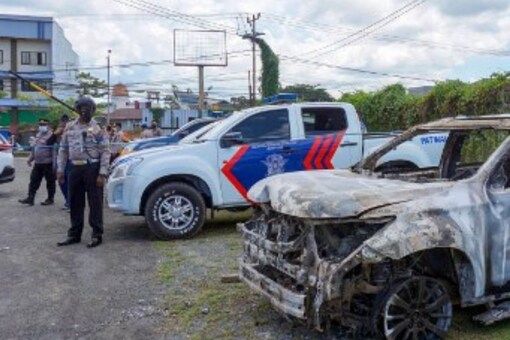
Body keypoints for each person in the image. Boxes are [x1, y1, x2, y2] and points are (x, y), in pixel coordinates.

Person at [56, 97, 110, 248]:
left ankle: (97, 235)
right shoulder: (70, 127)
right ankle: (74, 235)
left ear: (93, 110)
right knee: (75, 203)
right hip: (74, 169)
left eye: (89, 108)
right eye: (83, 108)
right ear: (78, 109)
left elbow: (105, 151)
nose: (86, 111)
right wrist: (60, 169)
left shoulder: (99, 128)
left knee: (95, 203)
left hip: (92, 169)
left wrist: (102, 173)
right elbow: (63, 149)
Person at [19, 118, 56, 206]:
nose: (42, 126)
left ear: (48, 126)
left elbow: (54, 152)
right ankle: (30, 198)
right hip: (38, 163)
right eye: (40, 125)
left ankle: (50, 199)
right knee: (33, 181)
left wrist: (55, 166)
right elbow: (35, 149)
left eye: (44, 125)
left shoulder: (51, 136)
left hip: (48, 163)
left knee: (50, 182)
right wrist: (30, 159)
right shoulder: (38, 135)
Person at [47, 114, 71, 210]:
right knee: (61, 181)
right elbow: (48, 143)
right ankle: (67, 201)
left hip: (70, 160)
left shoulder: (71, 131)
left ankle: (70, 203)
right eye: (62, 122)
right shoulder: (57, 133)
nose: (62, 124)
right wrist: (55, 134)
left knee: (69, 182)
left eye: (64, 122)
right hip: (60, 160)